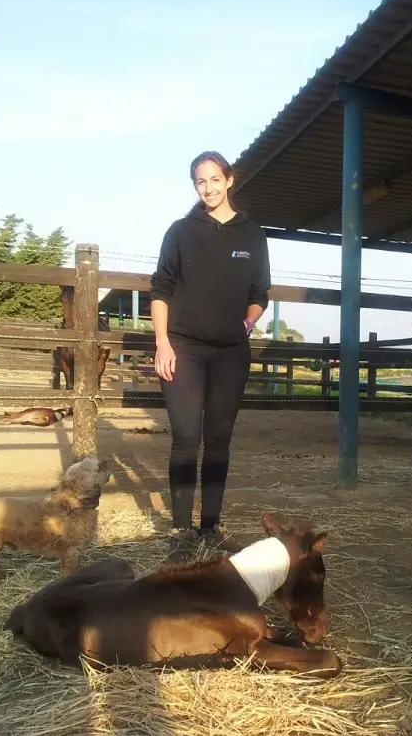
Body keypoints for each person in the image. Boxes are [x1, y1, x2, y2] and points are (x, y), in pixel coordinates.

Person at [149, 150, 272, 562]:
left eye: (214, 179)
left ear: (229, 179)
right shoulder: (181, 232)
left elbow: (260, 294)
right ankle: (182, 530)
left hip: (230, 355)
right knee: (186, 439)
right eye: (200, 182)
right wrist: (162, 343)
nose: (208, 187)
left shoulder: (252, 235)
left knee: (219, 440)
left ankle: (211, 526)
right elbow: (161, 288)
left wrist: (248, 322)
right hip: (183, 349)